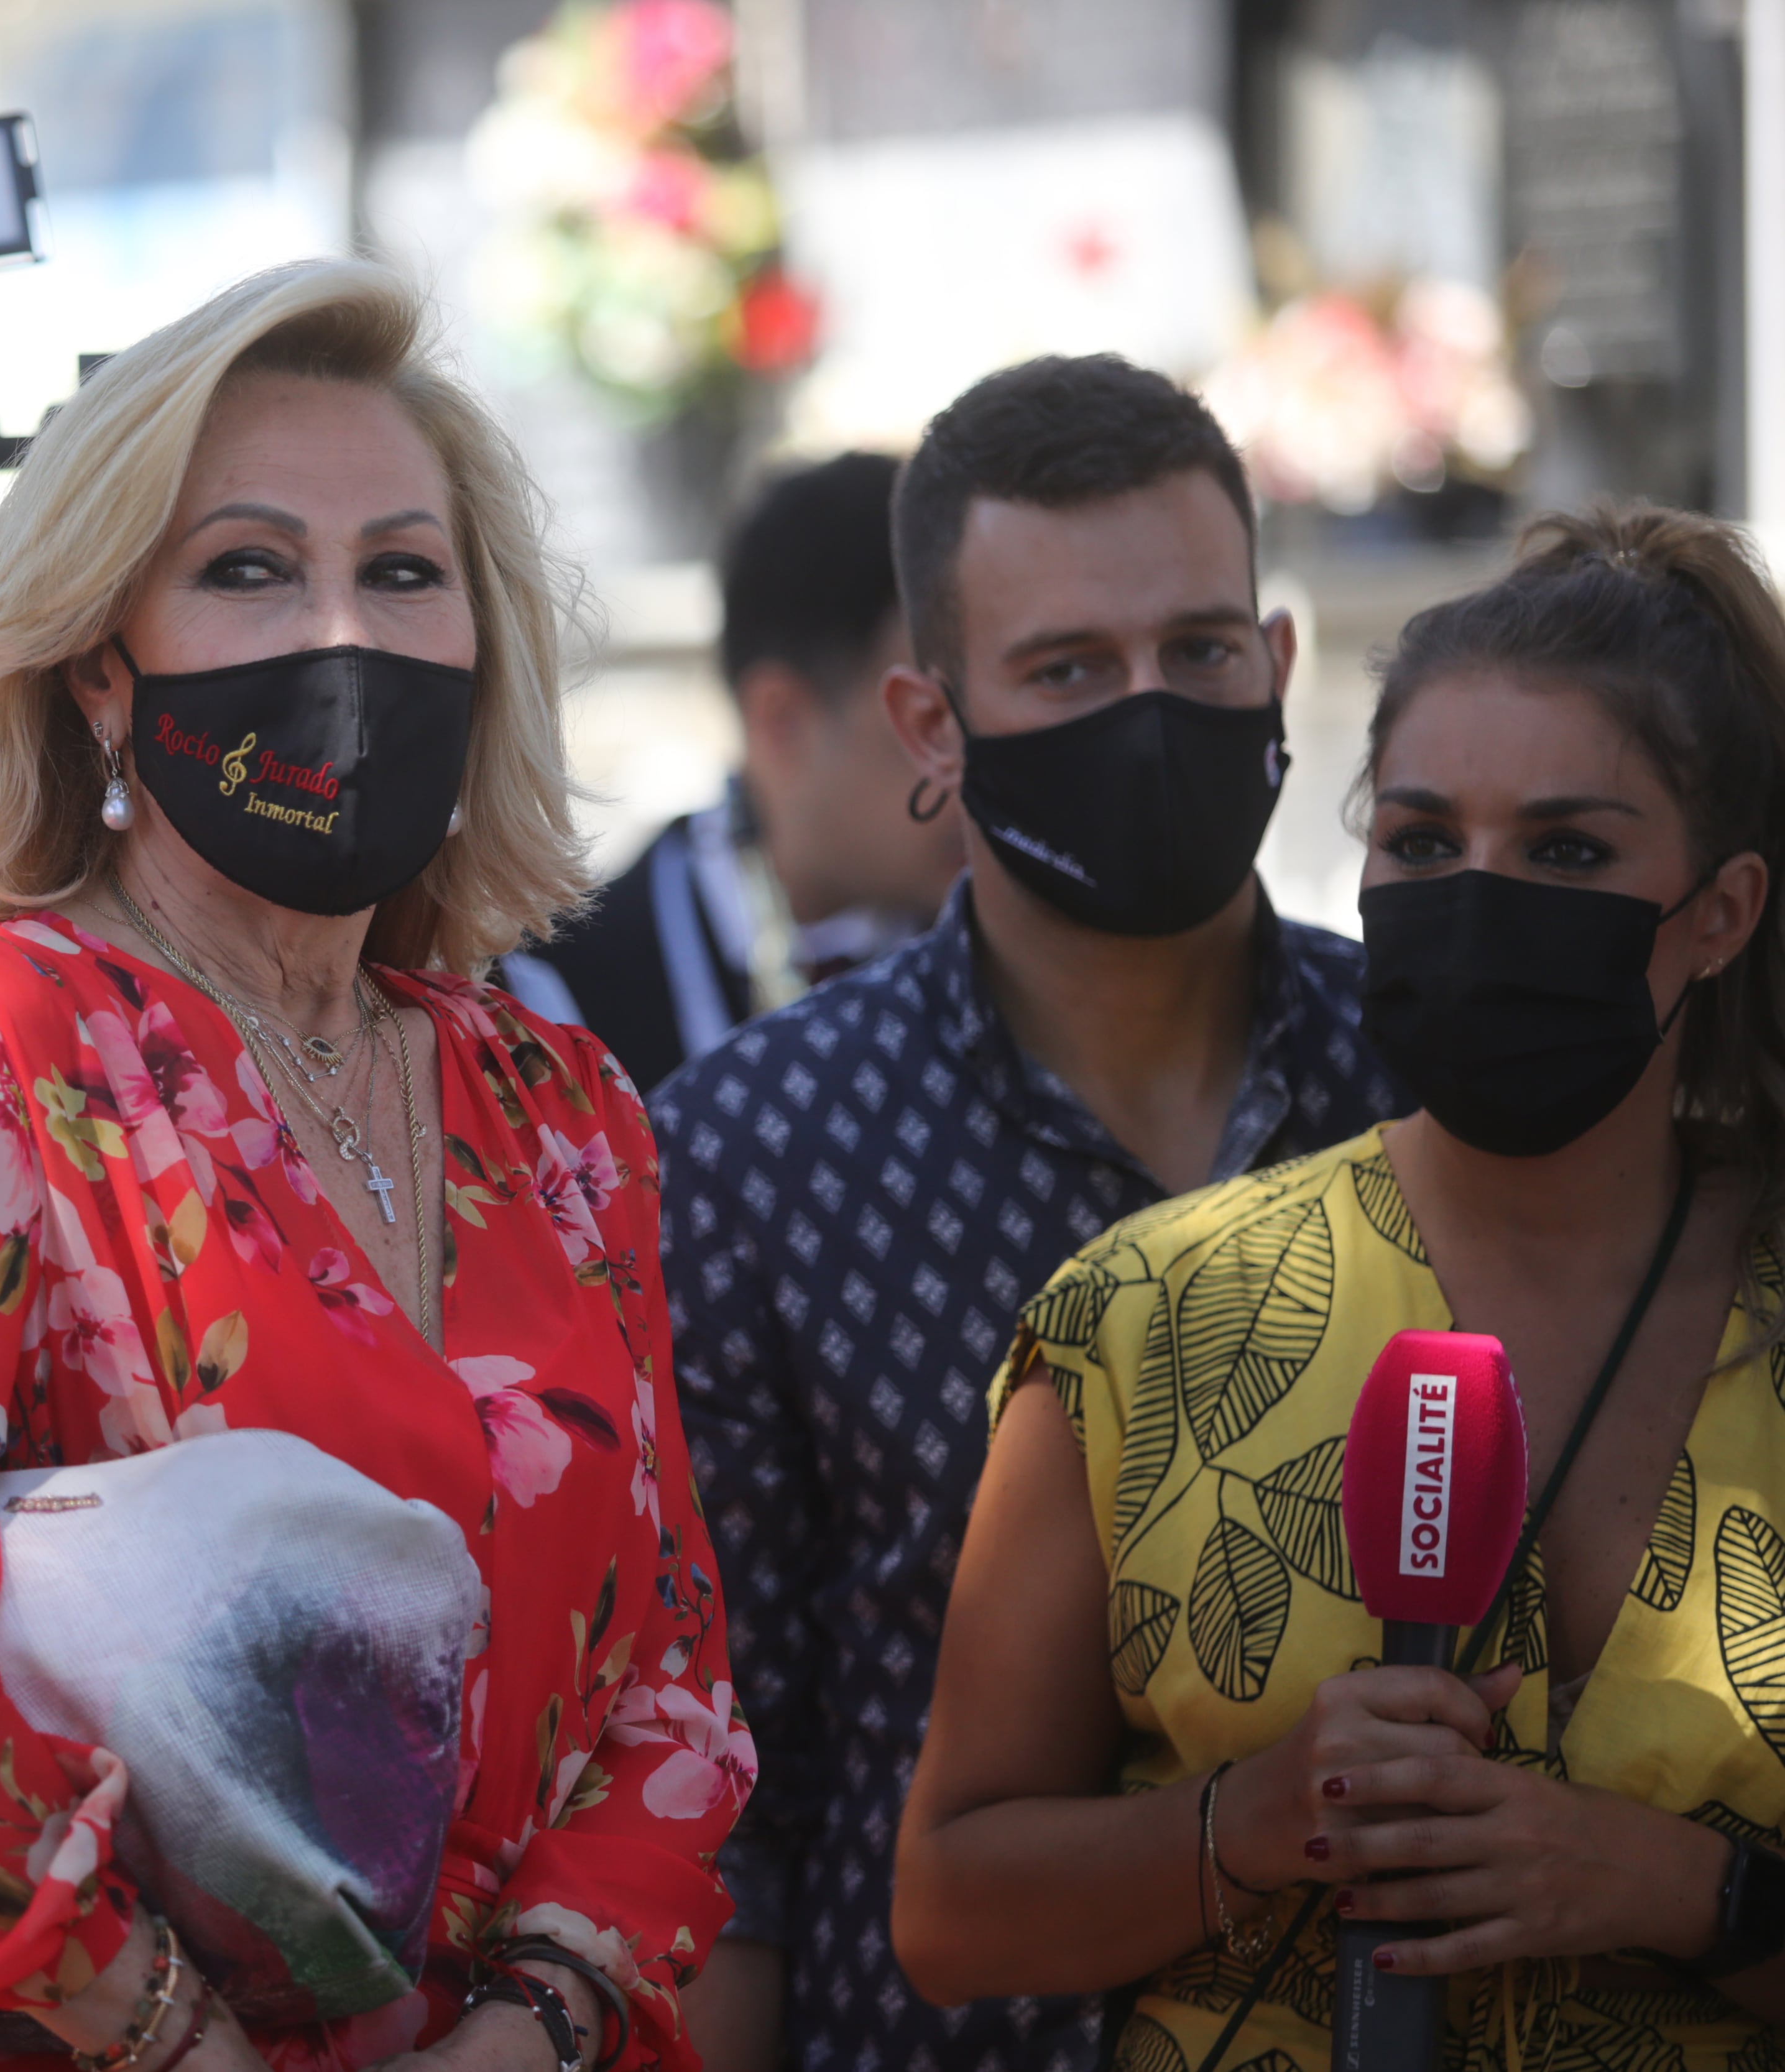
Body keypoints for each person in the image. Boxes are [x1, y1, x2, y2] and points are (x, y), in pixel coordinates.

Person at [0, 259, 754, 2072]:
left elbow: (672, 1681)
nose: (344, 635)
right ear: (96, 665)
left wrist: (532, 2023)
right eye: (246, 567)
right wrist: (167, 2034)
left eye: (403, 569)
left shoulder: (562, 1106)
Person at [896, 503, 1785, 2065]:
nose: (1480, 895)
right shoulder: (1139, 1324)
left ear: (1719, 912)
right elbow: (951, 1914)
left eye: (1567, 850)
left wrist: (1681, 1889)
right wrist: (1249, 1818)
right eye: (1426, 842)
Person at [648, 356, 1411, 2072]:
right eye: (1066, 667)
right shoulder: (756, 1155)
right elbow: (720, 1806)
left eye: (1200, 651)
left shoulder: (1430, 1079)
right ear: (937, 724)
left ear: (1279, 668)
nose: (1149, 711)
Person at [501, 453, 959, 1090]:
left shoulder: (1016, 943)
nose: (975, 771)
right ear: (783, 720)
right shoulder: (554, 1001)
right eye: (932, 723)